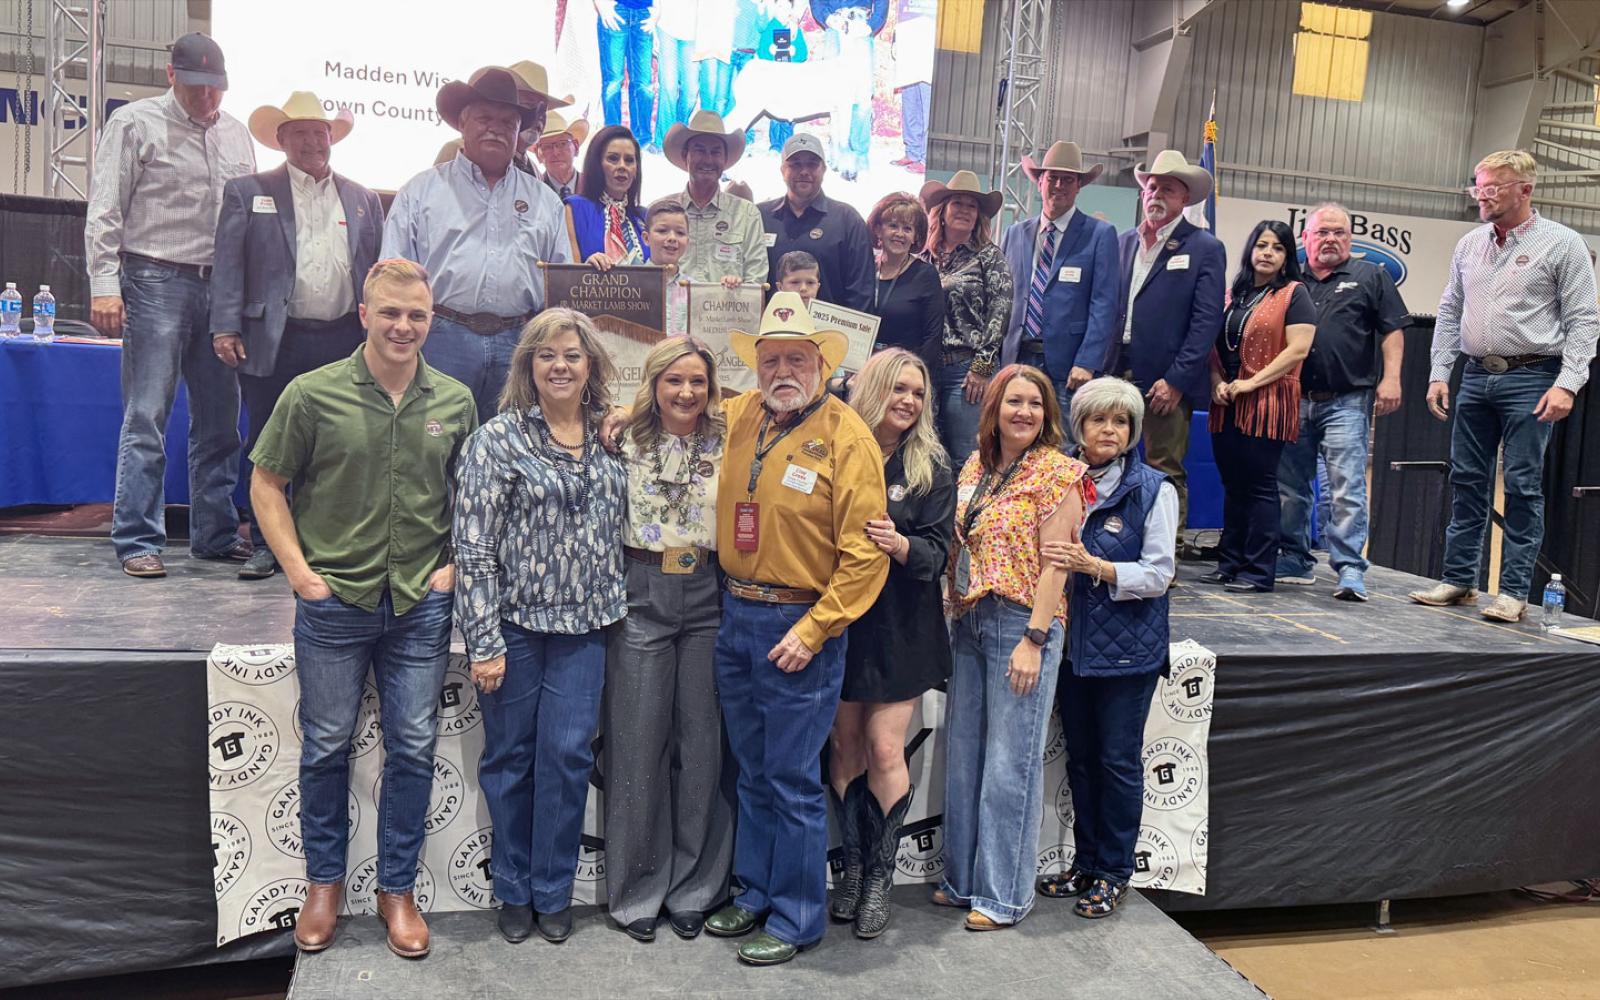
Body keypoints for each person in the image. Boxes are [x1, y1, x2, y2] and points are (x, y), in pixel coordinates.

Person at [248, 258, 478, 960]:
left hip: (419, 605)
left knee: (411, 748)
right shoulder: (311, 395)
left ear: (431, 320)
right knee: (326, 747)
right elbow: (266, 483)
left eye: (417, 315)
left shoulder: (457, 401)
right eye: (391, 313)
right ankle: (324, 885)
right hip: (334, 602)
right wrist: (299, 573)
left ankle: (396, 890)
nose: (403, 326)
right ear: (365, 316)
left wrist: (454, 569)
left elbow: (477, 498)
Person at [702, 292, 888, 966]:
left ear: (819, 362)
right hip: (737, 613)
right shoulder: (741, 413)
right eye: (771, 357)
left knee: (790, 779)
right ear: (757, 364)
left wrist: (816, 629)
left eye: (796, 358)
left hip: (798, 624)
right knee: (752, 773)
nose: (782, 369)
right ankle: (754, 892)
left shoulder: (846, 434)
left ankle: (798, 915)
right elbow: (670, 409)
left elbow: (865, 554)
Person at [453, 308, 629, 946]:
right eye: (547, 355)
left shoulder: (615, 437)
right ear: (529, 365)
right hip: (514, 631)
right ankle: (513, 889)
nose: (560, 365)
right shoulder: (497, 440)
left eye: (572, 356)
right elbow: (471, 549)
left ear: (591, 367)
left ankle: (553, 890)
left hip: (586, 630)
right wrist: (484, 641)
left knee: (568, 756)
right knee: (510, 759)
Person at [84, 32, 257, 578]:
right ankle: (137, 537)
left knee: (221, 422)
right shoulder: (134, 123)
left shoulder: (237, 134)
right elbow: (106, 208)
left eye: (216, 88)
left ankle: (215, 533)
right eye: (197, 86)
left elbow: (247, 220)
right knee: (147, 414)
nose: (208, 98)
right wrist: (103, 284)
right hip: (153, 275)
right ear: (171, 76)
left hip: (221, 286)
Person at [1410, 149, 1599, 622]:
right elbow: (1450, 311)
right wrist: (1439, 372)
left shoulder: (1563, 244)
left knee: (1521, 486)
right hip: (1475, 376)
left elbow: (1584, 319)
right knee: (1467, 481)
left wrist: (1569, 383)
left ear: (1525, 190)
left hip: (1533, 377)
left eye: (1493, 187)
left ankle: (1513, 591)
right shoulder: (1469, 244)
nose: (1482, 195)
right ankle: (1459, 580)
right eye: (1478, 185)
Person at [937, 363, 1088, 930]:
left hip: (1021, 623)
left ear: (1048, 413)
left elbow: (1059, 564)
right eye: (1013, 402)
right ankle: (961, 880)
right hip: (971, 619)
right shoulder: (978, 465)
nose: (1023, 412)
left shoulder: (1059, 473)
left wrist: (1034, 637)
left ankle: (1001, 896)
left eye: (1034, 403)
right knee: (966, 757)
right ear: (993, 409)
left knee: (1008, 766)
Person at [212, 92, 383, 582]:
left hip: (343, 339)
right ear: (281, 139)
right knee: (268, 443)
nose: (313, 142)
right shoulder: (249, 191)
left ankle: (324, 542)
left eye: (320, 133)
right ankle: (266, 545)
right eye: (301, 133)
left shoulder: (363, 198)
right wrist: (225, 325)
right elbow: (228, 264)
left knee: (337, 443)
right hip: (273, 338)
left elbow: (374, 270)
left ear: (332, 139)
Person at [604, 337, 732, 944]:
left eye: (698, 382)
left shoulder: (729, 438)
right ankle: (636, 893)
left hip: (708, 591)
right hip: (641, 590)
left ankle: (696, 887)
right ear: (654, 383)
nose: (686, 392)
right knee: (637, 745)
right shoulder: (621, 438)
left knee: (703, 745)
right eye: (675, 380)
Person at [1036, 377, 1176, 920]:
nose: (1110, 431)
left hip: (1127, 653)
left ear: (1134, 429)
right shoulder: (1059, 478)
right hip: (1072, 648)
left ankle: (1114, 872)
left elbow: (1160, 573)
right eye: (1099, 420)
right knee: (1085, 760)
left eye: (1120, 422)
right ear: (1080, 426)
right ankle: (1084, 865)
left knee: (1117, 762)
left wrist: (1099, 568)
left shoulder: (1152, 489)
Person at [829, 348, 953, 939]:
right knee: (845, 745)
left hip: (903, 627)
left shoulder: (931, 465)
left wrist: (900, 544)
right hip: (840, 622)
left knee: (883, 749)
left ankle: (879, 876)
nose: (908, 400)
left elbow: (938, 555)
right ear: (872, 388)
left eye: (918, 391)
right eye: (898, 388)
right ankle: (850, 869)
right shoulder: (834, 445)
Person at [382, 64, 572, 424]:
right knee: (434, 443)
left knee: (512, 449)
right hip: (441, 338)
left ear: (518, 133)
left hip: (519, 341)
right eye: (485, 118)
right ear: (462, 123)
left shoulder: (545, 201)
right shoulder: (420, 192)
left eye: (508, 123)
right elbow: (393, 277)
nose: (496, 129)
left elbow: (558, 286)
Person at [1276, 202, 1409, 600]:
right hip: (1292, 398)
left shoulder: (1372, 276)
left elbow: (1392, 333)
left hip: (1347, 400)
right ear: (1306, 238)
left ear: (1350, 239)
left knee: (1346, 486)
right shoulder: (1289, 279)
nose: (1330, 239)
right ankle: (1295, 558)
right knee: (1290, 485)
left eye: (1339, 233)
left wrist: (1392, 379)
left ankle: (1350, 567)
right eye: (1322, 232)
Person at [1107, 150, 1226, 532]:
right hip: (1116, 369)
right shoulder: (1124, 242)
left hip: (1166, 379)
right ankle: (1118, 543)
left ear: (1184, 198)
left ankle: (1165, 557)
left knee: (1164, 469)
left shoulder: (1204, 247)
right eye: (1152, 186)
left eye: (1168, 188)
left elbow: (1206, 321)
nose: (1156, 194)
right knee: (1110, 462)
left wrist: (1176, 380)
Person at [1201, 220, 1315, 593]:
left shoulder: (1295, 294)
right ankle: (1230, 562)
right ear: (1250, 251)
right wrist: (1217, 382)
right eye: (1262, 245)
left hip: (1266, 400)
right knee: (1233, 484)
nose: (1267, 253)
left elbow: (1298, 349)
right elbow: (1215, 347)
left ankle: (1258, 571)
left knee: (1261, 486)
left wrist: (1251, 382)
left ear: (1287, 258)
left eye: (1277, 248)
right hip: (1228, 400)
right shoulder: (1235, 294)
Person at [999, 141, 1119, 431]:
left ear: (1079, 186)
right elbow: (1001, 298)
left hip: (1069, 366)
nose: (1059, 186)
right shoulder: (1015, 233)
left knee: (1061, 445)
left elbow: (1104, 304)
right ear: (1039, 182)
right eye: (1052, 178)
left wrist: (1087, 362)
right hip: (1017, 357)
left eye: (1068, 179)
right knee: (1014, 436)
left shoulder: (1100, 234)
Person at [921, 170, 1014, 470]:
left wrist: (983, 366)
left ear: (979, 217)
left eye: (971, 206)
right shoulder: (925, 257)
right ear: (943, 211)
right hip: (927, 367)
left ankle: (966, 517)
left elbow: (1000, 312)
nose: (964, 210)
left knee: (967, 456)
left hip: (968, 370)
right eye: (957, 203)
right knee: (928, 451)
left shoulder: (989, 257)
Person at [760, 133, 876, 310]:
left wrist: (850, 336)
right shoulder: (759, 216)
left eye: (812, 164)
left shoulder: (848, 220)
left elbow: (861, 292)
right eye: (795, 164)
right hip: (767, 335)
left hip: (827, 335)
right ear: (782, 169)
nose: (804, 171)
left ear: (824, 169)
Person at [663, 110, 769, 286]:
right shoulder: (662, 211)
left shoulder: (747, 214)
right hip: (673, 313)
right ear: (685, 156)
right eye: (699, 150)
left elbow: (756, 280)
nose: (708, 159)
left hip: (729, 313)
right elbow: (648, 271)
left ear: (725, 159)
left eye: (716, 152)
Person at [864, 192, 942, 371]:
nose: (899, 234)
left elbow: (933, 337)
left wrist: (914, 374)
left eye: (907, 228)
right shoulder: (865, 270)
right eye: (893, 225)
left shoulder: (926, 275)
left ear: (916, 236)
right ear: (878, 229)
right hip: (866, 372)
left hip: (906, 375)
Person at [812, 0, 887, 182]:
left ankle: (859, 154)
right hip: (835, 28)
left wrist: (870, 27)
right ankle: (837, 153)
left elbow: (883, 3)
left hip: (861, 26)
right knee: (835, 99)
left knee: (862, 97)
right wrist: (827, 18)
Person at [564, 124, 647, 267]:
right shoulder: (574, 209)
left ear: (636, 169)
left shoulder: (644, 216)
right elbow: (569, 276)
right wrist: (586, 267)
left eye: (629, 160)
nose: (622, 166)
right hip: (589, 288)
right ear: (597, 164)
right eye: (613, 158)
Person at [595, 0, 655, 150]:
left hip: (644, 11)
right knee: (613, 81)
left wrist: (657, 7)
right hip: (616, 9)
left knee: (643, 83)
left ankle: (642, 141)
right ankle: (612, 138)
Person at [644, 198, 694, 336]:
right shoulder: (629, 283)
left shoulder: (696, 290)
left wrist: (729, 290)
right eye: (662, 230)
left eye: (680, 233)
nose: (672, 238)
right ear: (646, 238)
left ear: (687, 242)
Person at [533, 112, 589, 199]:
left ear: (576, 147)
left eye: (563, 144)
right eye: (547, 147)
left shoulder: (595, 185)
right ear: (538, 154)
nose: (556, 152)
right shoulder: (533, 192)